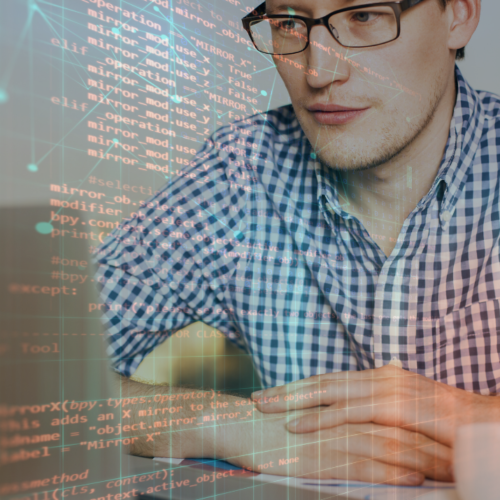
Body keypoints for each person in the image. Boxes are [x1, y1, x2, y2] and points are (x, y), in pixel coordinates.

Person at [94, 0, 496, 486]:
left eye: (363, 16)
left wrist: (476, 418)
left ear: (459, 14)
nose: (318, 71)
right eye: (289, 23)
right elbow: (26, 373)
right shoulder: (241, 172)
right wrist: (235, 428)